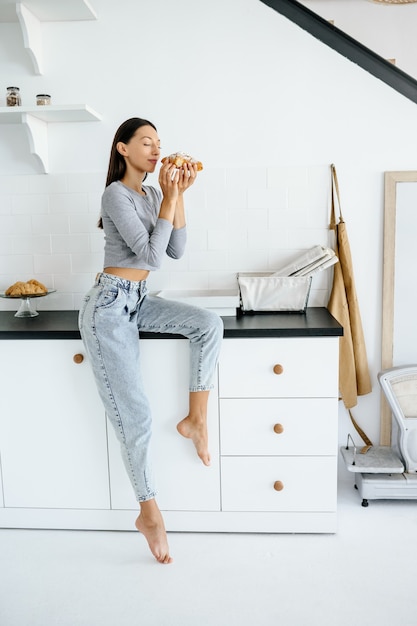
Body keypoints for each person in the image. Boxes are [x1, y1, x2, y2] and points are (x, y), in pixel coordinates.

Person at [79, 117, 223, 564]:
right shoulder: (115, 194)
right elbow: (151, 255)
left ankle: (195, 420)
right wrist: (171, 199)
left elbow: (176, 249)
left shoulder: (155, 193)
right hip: (108, 309)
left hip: (138, 299)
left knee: (208, 324)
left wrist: (179, 196)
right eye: (146, 142)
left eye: (158, 143)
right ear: (122, 149)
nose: (156, 149)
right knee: (137, 418)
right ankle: (149, 514)